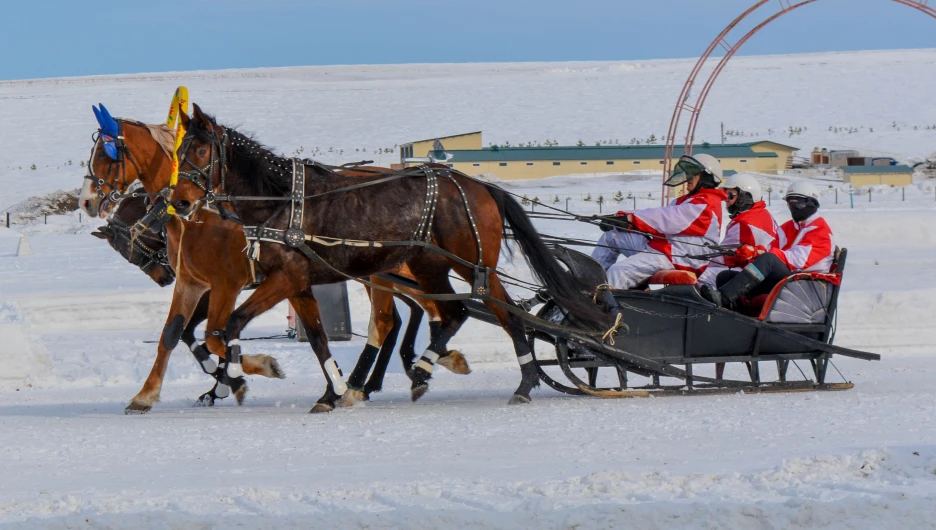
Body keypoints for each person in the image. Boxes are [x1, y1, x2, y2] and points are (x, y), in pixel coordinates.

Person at [592, 153, 727, 290]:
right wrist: (620, 219)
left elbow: (666, 219)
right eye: (688, 173)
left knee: (619, 271)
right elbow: (660, 217)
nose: (688, 178)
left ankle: (601, 307)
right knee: (613, 234)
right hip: (662, 249)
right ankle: (590, 281)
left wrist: (630, 219)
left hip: (677, 258)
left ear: (706, 176)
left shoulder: (706, 205)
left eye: (693, 173)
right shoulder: (689, 200)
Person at [701, 181, 834, 310]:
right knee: (725, 277)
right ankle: (732, 310)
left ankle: (723, 298)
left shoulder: (820, 230)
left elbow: (798, 260)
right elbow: (771, 248)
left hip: (806, 285)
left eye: (797, 203)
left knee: (769, 259)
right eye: (789, 203)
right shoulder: (790, 227)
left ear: (812, 203)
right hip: (789, 279)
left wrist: (764, 254)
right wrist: (755, 251)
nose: (792, 207)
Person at [697, 173, 778, 288]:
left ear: (745, 197)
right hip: (761, 270)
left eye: (730, 195)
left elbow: (724, 256)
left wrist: (697, 258)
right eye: (725, 194)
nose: (726, 200)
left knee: (701, 276)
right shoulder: (762, 214)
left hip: (750, 273)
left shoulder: (744, 223)